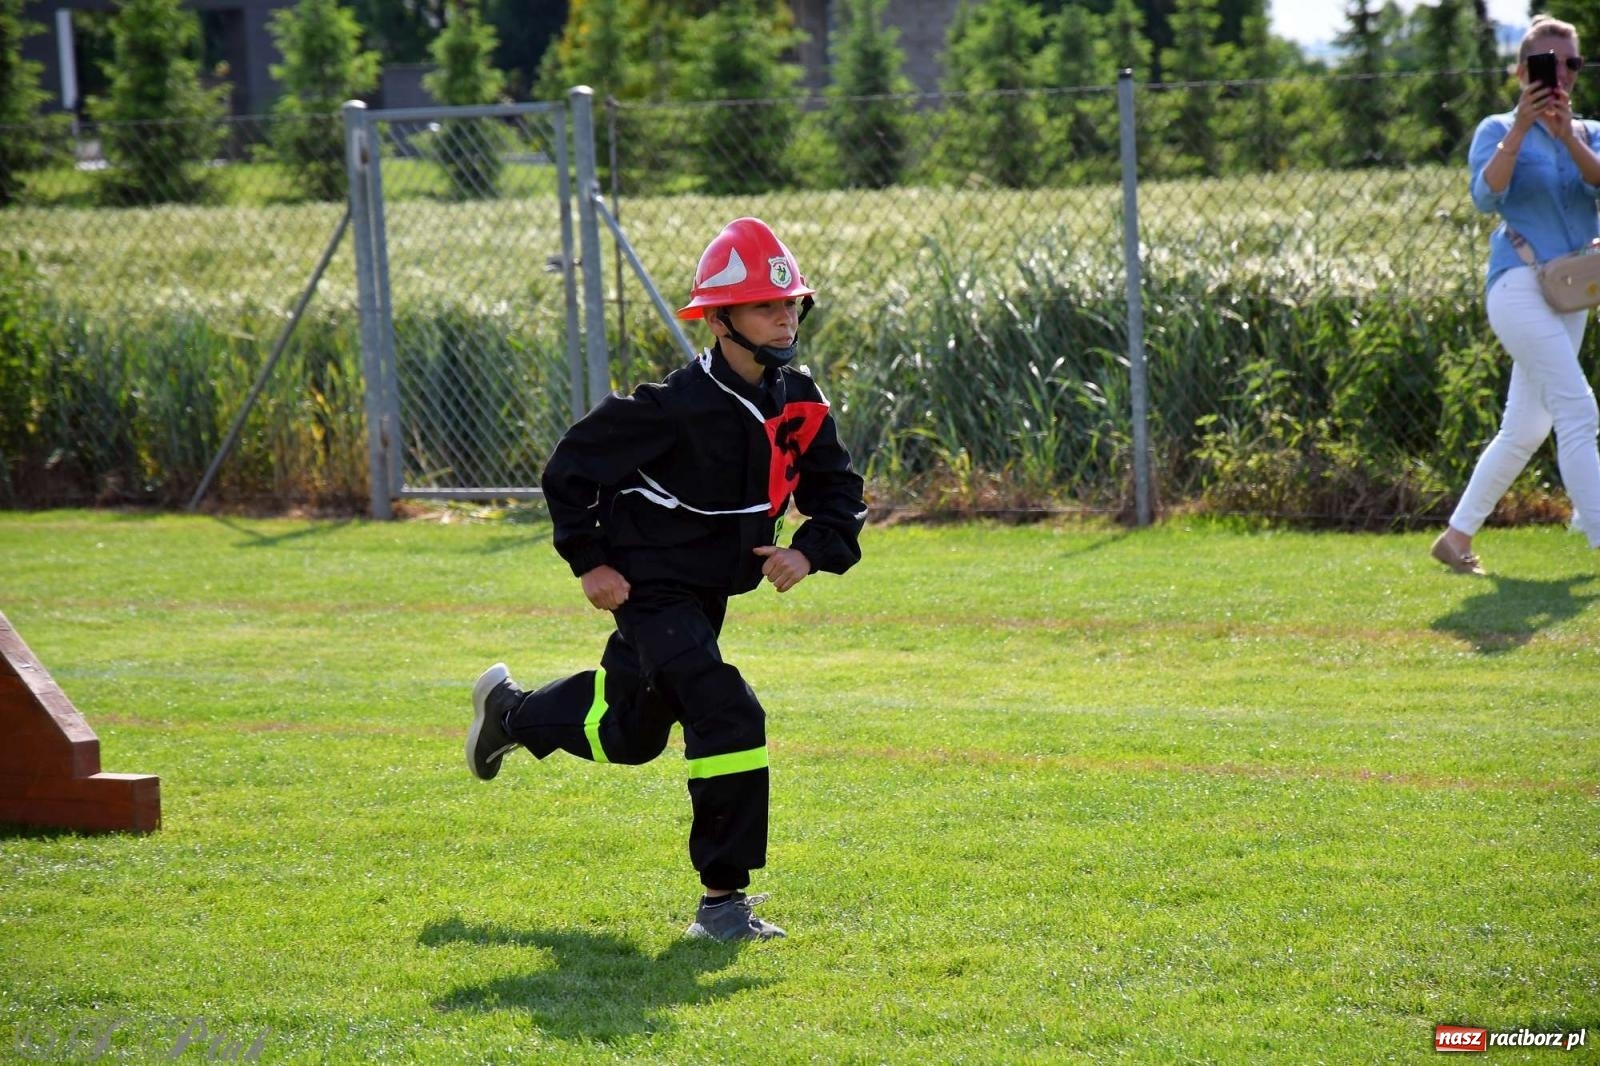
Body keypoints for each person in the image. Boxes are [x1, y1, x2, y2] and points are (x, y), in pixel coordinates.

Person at [465, 217, 867, 942]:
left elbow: (840, 493)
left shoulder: (800, 399)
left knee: (630, 732)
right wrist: (589, 561)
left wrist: (809, 550)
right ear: (719, 321)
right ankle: (722, 908)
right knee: (726, 707)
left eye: (791, 304)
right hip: (650, 587)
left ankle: (511, 715)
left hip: (706, 594)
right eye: (764, 306)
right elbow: (569, 471)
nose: (784, 316)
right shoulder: (670, 406)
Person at [1433, 14, 1600, 574]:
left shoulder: (1590, 131)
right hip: (1517, 283)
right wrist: (1522, 129)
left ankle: (1455, 538)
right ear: (1521, 70)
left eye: (1571, 63)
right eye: (1547, 64)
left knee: (1527, 426)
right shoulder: (1495, 128)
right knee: (1578, 408)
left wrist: (1566, 135)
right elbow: (1486, 197)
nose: (1562, 75)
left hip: (1572, 287)